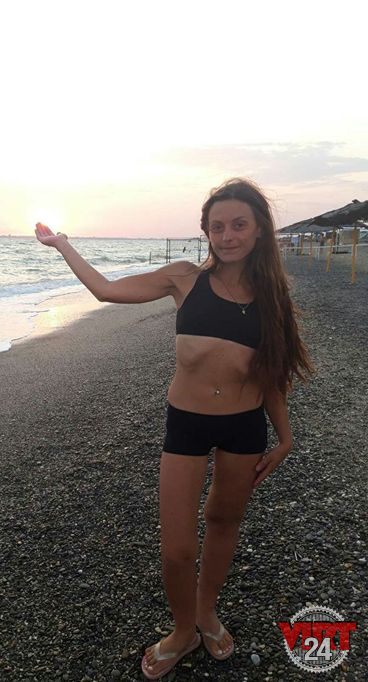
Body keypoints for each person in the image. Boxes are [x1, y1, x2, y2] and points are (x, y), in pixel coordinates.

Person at [34, 177, 313, 679]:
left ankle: (206, 614)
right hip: (186, 425)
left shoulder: (273, 297)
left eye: (239, 225)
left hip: (244, 427)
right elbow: (106, 290)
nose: (227, 236)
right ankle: (183, 630)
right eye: (217, 227)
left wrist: (286, 437)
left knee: (224, 521)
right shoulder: (184, 279)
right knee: (177, 547)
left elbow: (272, 376)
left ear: (259, 230)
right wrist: (63, 245)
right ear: (206, 232)